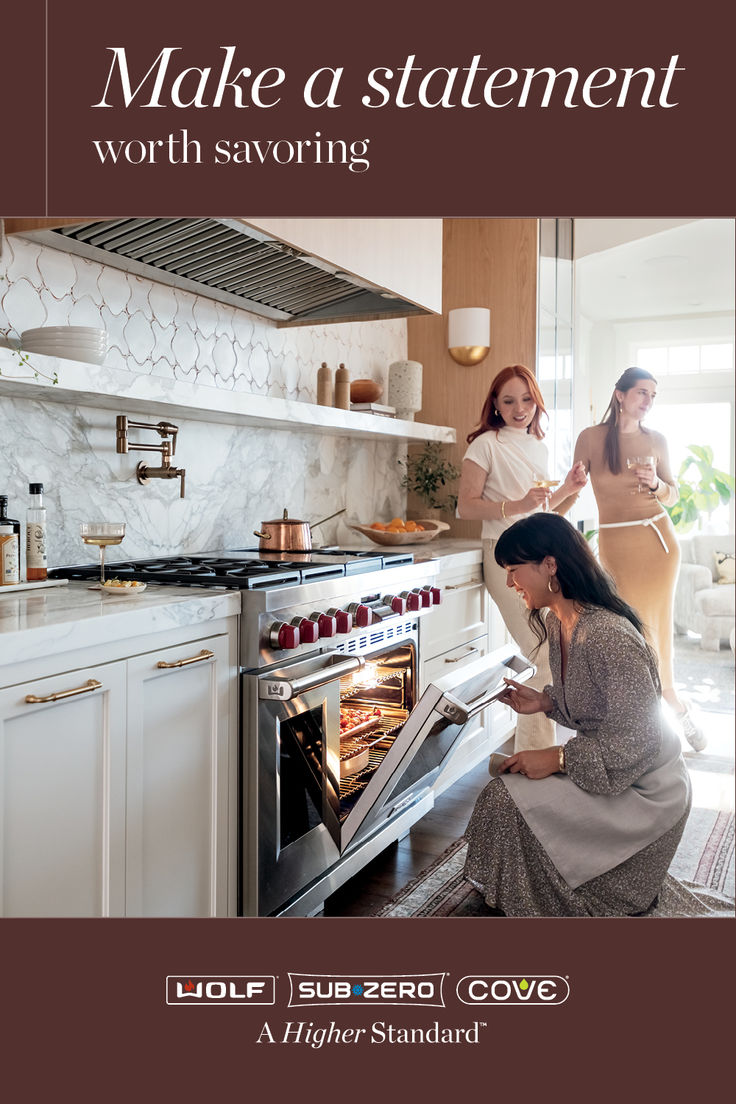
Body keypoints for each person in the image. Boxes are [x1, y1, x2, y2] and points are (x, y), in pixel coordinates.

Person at [463, 513, 692, 917]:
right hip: (610, 765)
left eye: (514, 570)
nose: (509, 583)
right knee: (505, 795)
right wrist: (546, 702)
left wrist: (556, 759)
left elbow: (637, 740)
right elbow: (599, 707)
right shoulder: (558, 622)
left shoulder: (608, 634)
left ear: (550, 565)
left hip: (646, 786)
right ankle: (525, 892)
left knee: (505, 799)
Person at [573, 367, 705, 751]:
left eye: (653, 395)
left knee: (656, 632)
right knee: (626, 632)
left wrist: (657, 484)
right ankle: (656, 713)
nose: (647, 401)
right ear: (620, 395)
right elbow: (574, 485)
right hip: (615, 546)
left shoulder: (657, 440)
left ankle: (669, 707)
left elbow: (674, 495)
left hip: (657, 543)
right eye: (641, 393)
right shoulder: (591, 438)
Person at [456, 364, 587, 751]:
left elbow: (537, 511)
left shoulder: (538, 446)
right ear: (495, 404)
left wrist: (569, 487)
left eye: (527, 399)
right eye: (509, 400)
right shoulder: (485, 444)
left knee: (555, 647)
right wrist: (516, 502)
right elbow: (465, 506)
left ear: (537, 402)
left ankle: (537, 753)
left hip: (539, 558)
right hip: (505, 560)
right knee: (541, 650)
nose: (519, 408)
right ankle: (535, 757)